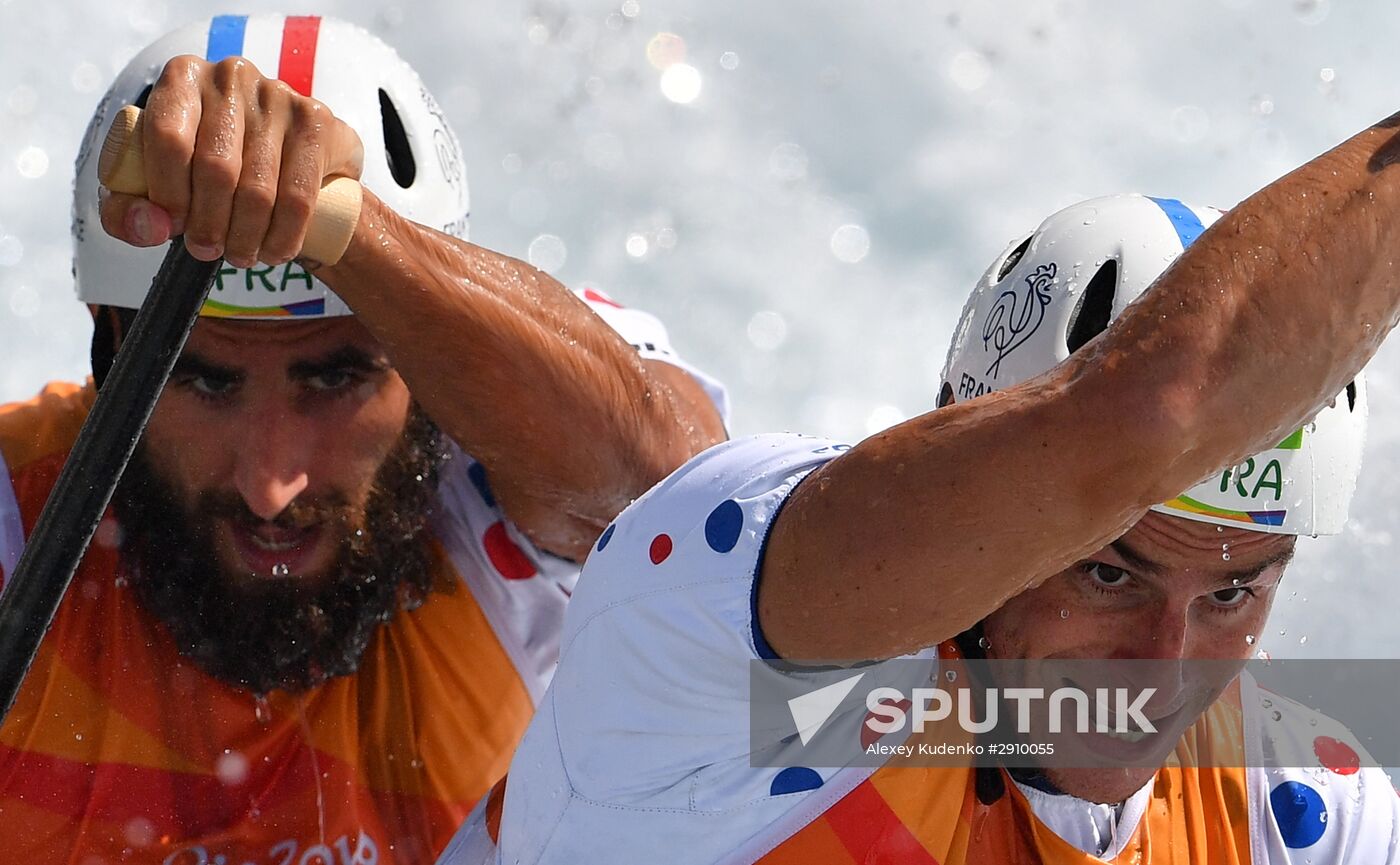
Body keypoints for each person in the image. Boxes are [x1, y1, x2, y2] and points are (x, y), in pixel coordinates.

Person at [440, 134, 1400, 860]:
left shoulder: (1301, 808)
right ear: (977, 473)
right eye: (1109, 571)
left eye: (1232, 594)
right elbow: (1143, 414)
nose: (1163, 667)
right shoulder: (751, 689)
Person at [0, 14, 727, 865]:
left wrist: (348, 234)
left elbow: (696, 509)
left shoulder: (495, 436)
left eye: (336, 378)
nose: (272, 483)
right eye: (198, 379)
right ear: (107, 345)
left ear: (423, 354)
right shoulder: (18, 516)